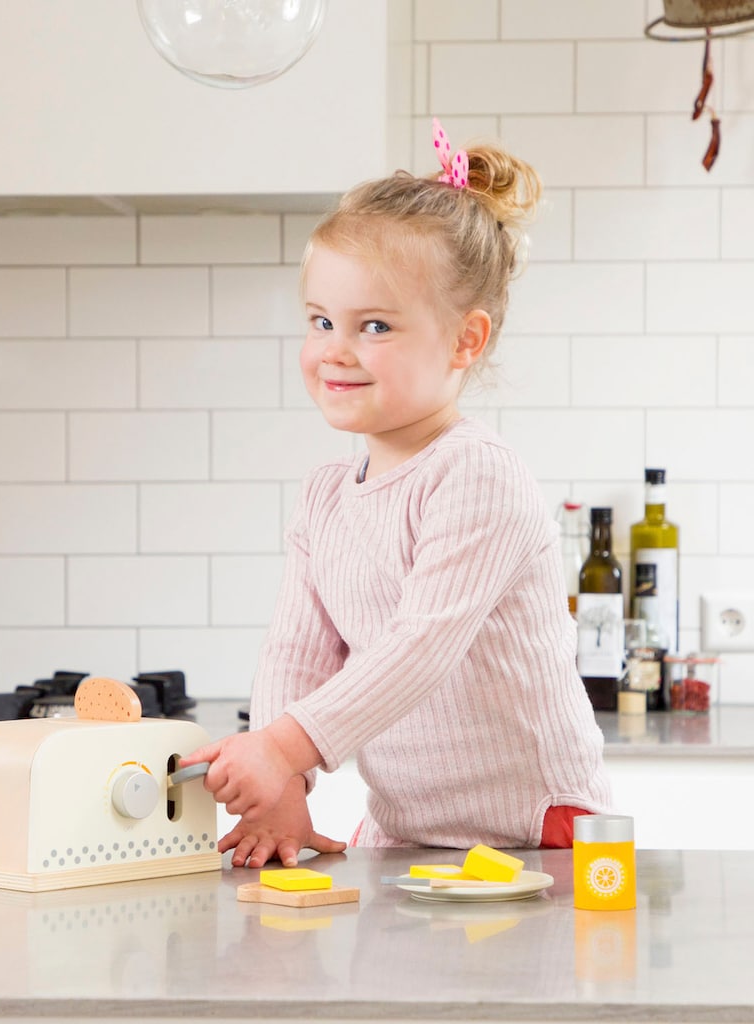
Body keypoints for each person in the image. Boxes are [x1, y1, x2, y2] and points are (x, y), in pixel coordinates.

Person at [179, 119, 613, 868]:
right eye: (320, 321)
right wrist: (290, 782)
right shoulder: (325, 498)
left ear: (464, 341)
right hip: (408, 832)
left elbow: (421, 647)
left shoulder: (475, 473)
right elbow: (298, 649)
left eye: (373, 325)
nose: (334, 351)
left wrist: (281, 748)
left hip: (537, 833)